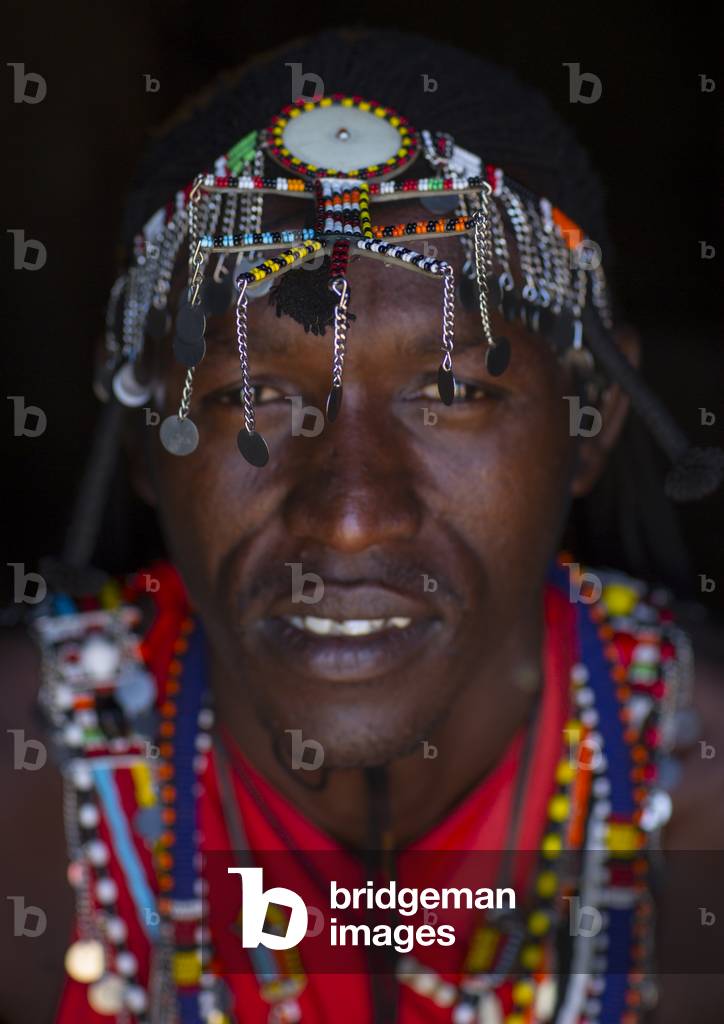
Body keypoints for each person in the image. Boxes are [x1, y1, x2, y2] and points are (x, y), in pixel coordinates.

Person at [2, 26, 723, 1024]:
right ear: (142, 435)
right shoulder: (25, 793)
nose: (345, 518)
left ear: (587, 422)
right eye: (250, 393)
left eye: (448, 389)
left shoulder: (700, 786)